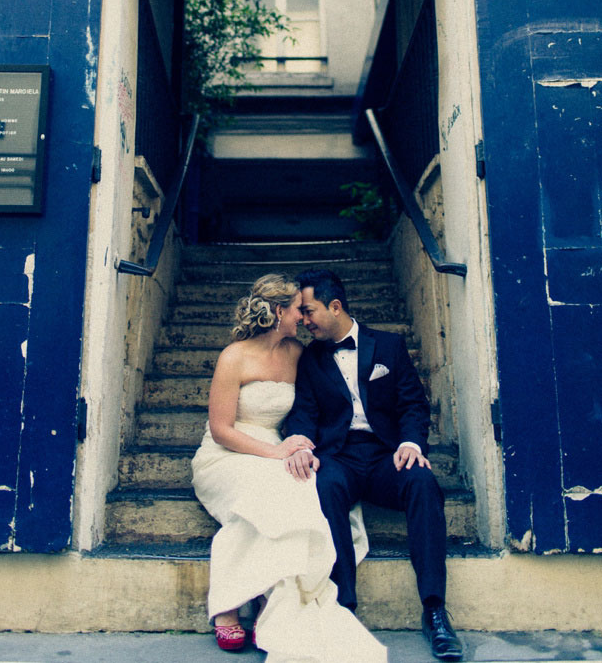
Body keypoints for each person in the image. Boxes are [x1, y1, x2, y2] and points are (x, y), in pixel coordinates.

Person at [192, 273, 387, 663]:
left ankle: (277, 596)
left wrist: (300, 443)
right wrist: (276, 452)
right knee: (262, 495)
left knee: (298, 487)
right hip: (227, 454)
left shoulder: (298, 353)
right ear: (279, 311)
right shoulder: (235, 356)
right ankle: (228, 606)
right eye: (298, 309)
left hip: (275, 448)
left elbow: (313, 407)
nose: (303, 317)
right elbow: (220, 430)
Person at [284, 268, 463, 662]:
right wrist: (298, 443)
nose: (304, 320)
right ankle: (342, 605)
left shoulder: (389, 345)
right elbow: (303, 411)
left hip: (386, 454)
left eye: (309, 311)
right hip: (338, 456)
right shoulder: (310, 358)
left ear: (335, 306)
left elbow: (413, 404)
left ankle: (434, 610)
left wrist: (412, 442)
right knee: (322, 484)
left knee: (422, 482)